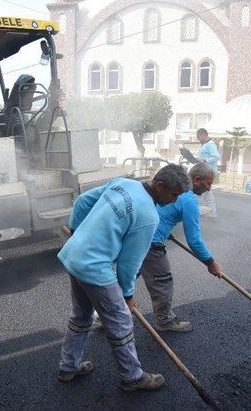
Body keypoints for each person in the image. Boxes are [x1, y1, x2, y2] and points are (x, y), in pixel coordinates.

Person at [57, 164, 191, 392]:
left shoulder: (123, 183)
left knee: (81, 315)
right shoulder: (149, 215)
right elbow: (130, 264)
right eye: (174, 194)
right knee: (121, 321)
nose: (175, 201)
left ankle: (68, 367)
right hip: (95, 267)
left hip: (73, 255)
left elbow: (81, 202)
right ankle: (132, 377)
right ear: (159, 186)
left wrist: (76, 231)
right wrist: (127, 295)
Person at [140, 163, 223, 333]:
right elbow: (194, 240)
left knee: (124, 279)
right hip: (151, 244)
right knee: (163, 283)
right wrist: (210, 262)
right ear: (197, 179)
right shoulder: (189, 200)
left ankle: (103, 316)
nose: (209, 189)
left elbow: (162, 213)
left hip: (138, 238)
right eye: (208, 183)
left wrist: (165, 232)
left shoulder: (172, 191)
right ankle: (165, 321)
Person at [196, 128, 220, 217]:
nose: (197, 139)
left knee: (200, 192)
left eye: (198, 137)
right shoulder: (205, 144)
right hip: (205, 172)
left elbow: (217, 156)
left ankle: (200, 212)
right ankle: (212, 214)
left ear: (203, 135)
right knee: (207, 193)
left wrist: (205, 160)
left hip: (208, 173)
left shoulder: (210, 144)